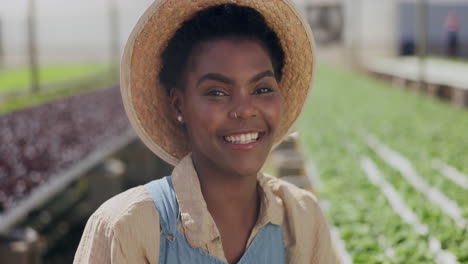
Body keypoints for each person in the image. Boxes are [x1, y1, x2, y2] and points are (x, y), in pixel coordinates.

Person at [74, 1, 337, 263]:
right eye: (217, 92)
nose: (245, 110)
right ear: (179, 105)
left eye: (262, 89)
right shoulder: (127, 227)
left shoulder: (301, 218)